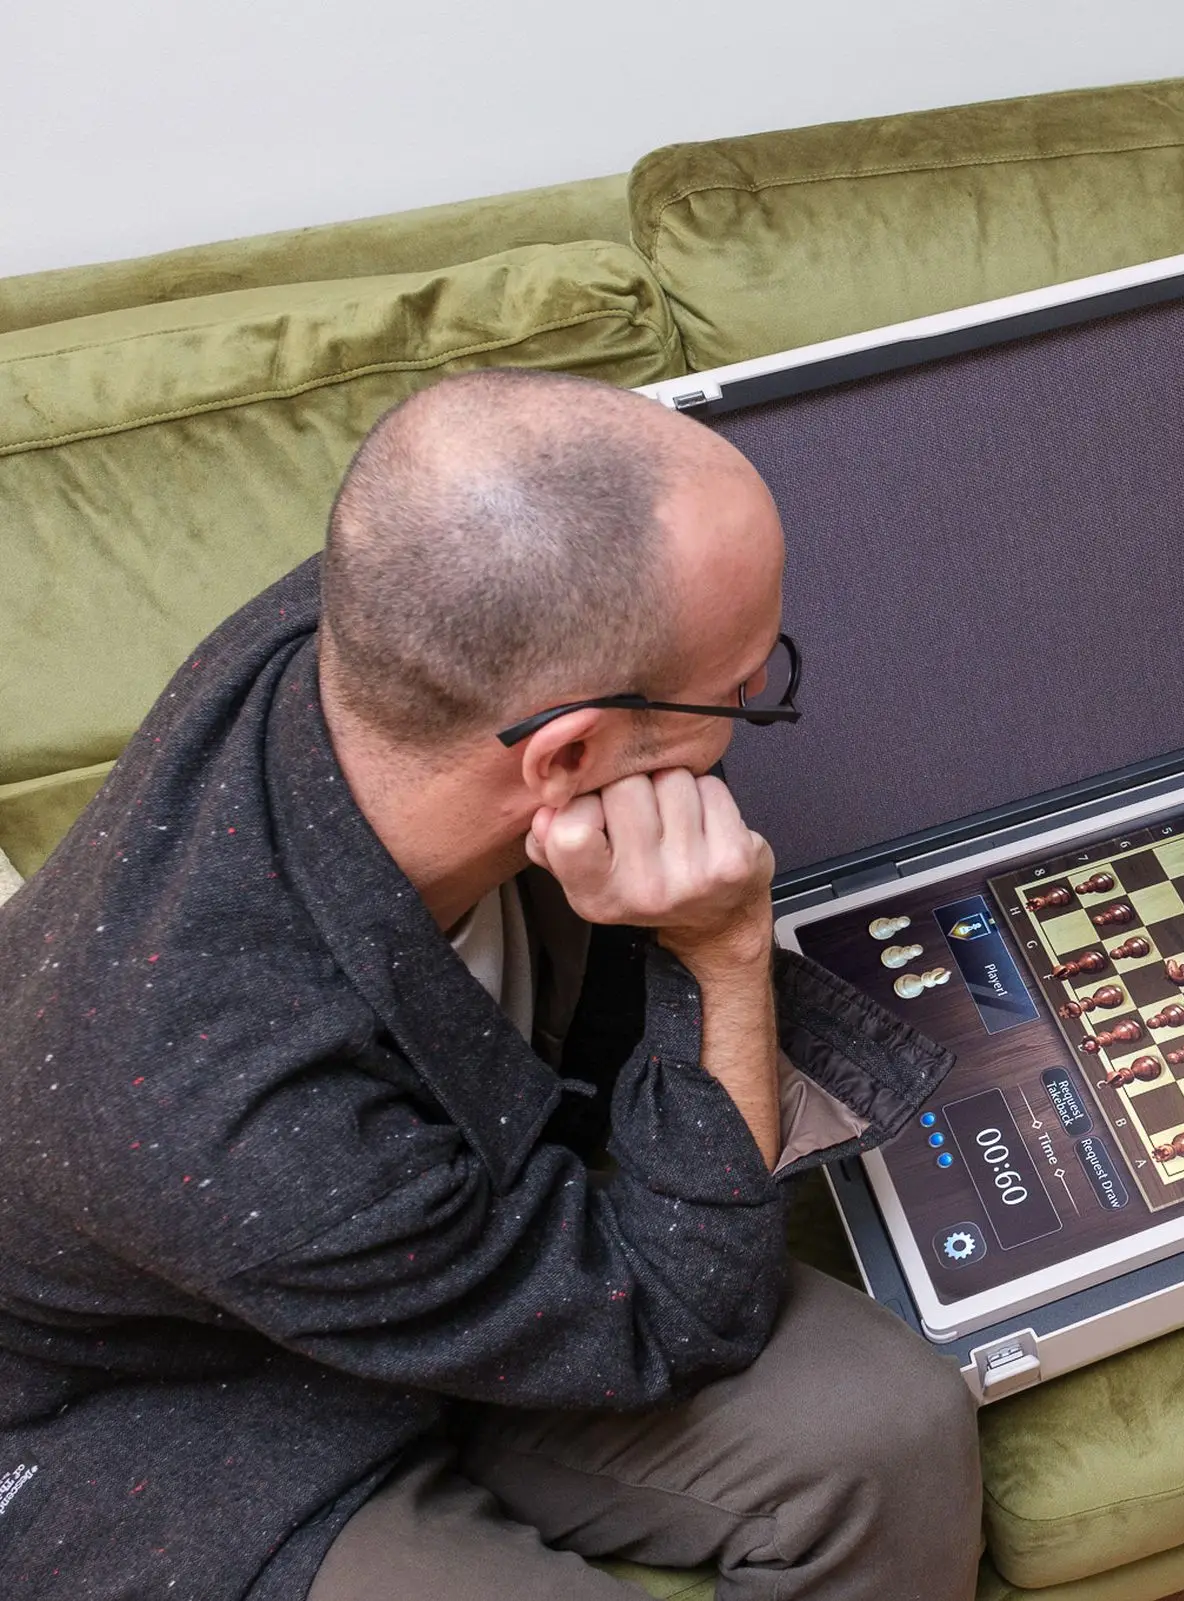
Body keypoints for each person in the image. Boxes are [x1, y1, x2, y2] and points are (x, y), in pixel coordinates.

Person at [0, 370, 982, 1600]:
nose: (749, 710)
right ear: (564, 754)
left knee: (887, 1426)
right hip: (151, 1403)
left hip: (410, 1232)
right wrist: (718, 945)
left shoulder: (397, 625)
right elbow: (676, 1314)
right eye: (739, 689)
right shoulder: (234, 1108)